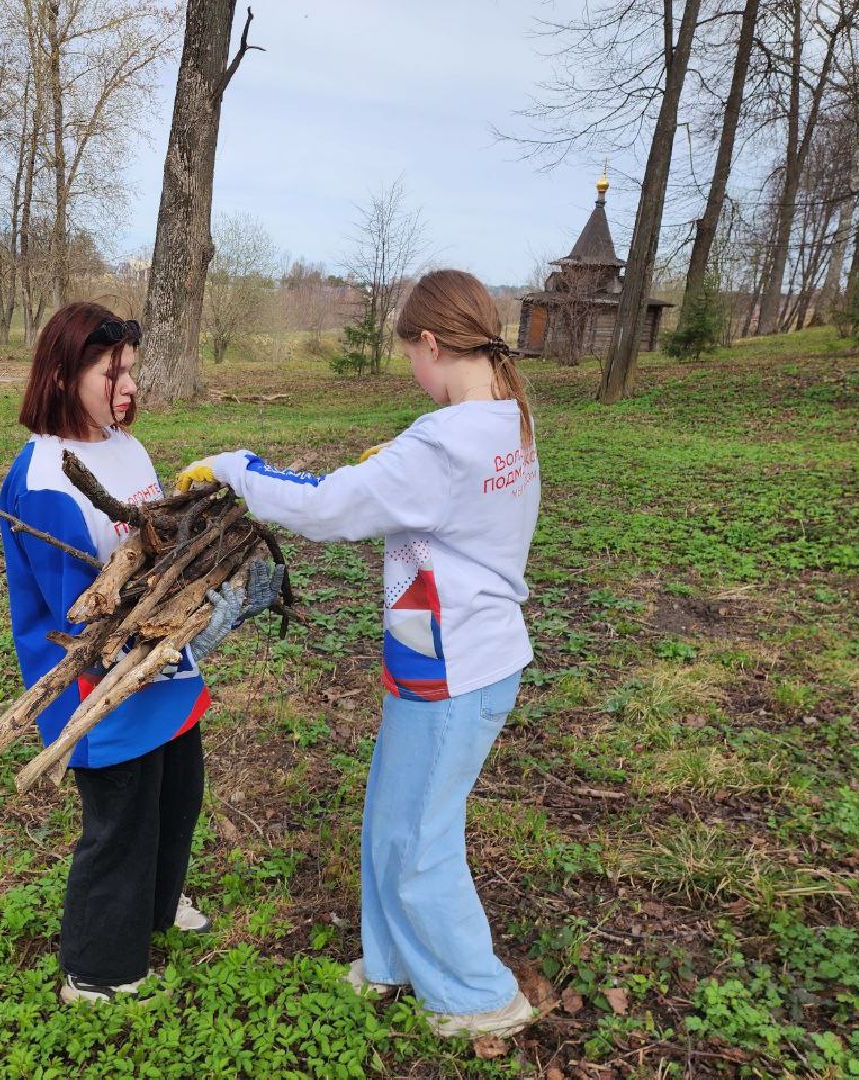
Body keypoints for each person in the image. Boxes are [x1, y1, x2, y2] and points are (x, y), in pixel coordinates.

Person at [176, 269, 542, 1038]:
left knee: (419, 837)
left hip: (455, 665)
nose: (411, 369)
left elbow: (326, 506)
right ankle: (395, 963)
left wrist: (238, 470)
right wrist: (395, 469)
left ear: (432, 343)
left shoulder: (442, 442)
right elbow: (439, 498)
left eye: (410, 351)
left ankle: (481, 998)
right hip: (446, 655)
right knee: (391, 817)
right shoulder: (502, 417)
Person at [0, 302, 277, 1004]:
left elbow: (160, 543)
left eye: (131, 370)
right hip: (101, 687)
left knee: (176, 797)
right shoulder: (44, 481)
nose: (128, 385)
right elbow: (80, 615)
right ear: (64, 375)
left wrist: (211, 601)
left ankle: (152, 909)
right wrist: (174, 628)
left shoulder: (126, 446)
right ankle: (98, 970)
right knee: (120, 819)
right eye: (111, 371)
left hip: (166, 672)